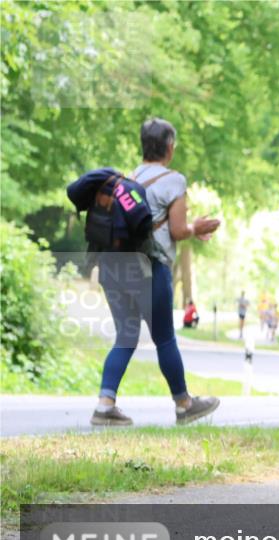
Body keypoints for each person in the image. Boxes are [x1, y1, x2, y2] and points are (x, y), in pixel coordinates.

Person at [90, 118, 221, 427]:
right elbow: (177, 230)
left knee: (125, 336)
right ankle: (184, 404)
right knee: (164, 338)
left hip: (114, 268)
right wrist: (196, 228)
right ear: (170, 148)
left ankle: (105, 405)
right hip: (150, 269)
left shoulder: (125, 179)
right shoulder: (174, 180)